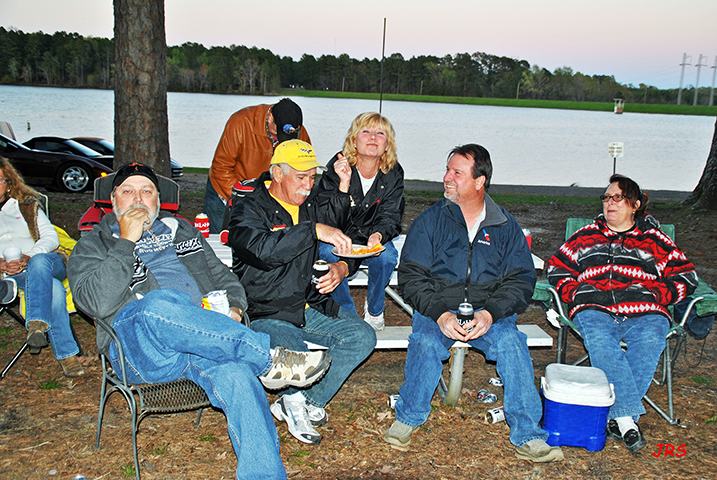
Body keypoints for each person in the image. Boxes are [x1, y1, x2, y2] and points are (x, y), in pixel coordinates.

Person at [67, 162, 332, 480]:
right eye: (128, 191)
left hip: (202, 342)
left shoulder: (183, 232)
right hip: (139, 349)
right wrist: (126, 242)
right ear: (113, 200)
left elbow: (226, 278)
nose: (138, 199)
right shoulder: (94, 244)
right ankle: (266, 358)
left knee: (238, 375)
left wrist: (235, 308)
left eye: (147, 191)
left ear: (158, 200)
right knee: (159, 302)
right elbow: (94, 303)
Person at [384, 144, 564, 463]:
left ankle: (528, 434)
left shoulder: (504, 225)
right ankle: (408, 416)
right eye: (447, 170)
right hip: (438, 309)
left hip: (487, 311)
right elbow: (411, 275)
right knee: (425, 342)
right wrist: (439, 314)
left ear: (480, 181)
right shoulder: (430, 221)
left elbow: (521, 279)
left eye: (457, 172)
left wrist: (491, 313)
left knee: (512, 343)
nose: (447, 177)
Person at [228, 140, 377, 446]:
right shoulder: (247, 209)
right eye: (300, 177)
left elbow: (338, 225)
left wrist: (342, 267)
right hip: (265, 309)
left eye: (312, 177)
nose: (308, 185)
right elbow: (263, 252)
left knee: (362, 337)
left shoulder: (308, 203)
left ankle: (304, 401)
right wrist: (312, 230)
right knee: (297, 353)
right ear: (277, 174)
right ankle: (295, 402)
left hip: (308, 303)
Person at [547, 174, 698, 452]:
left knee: (651, 337)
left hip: (645, 310)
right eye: (606, 197)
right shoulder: (586, 236)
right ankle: (626, 420)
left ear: (635, 204)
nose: (610, 203)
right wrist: (576, 293)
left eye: (618, 197)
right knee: (600, 340)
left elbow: (686, 277)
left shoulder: (655, 239)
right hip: (594, 307)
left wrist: (656, 294)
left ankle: (617, 416)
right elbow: (557, 269)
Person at [316, 112, 404, 330]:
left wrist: (378, 235)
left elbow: (392, 214)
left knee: (387, 256)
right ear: (354, 140)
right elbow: (327, 219)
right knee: (327, 253)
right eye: (366, 131)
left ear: (387, 145)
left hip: (373, 234)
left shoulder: (393, 172)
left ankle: (375, 310)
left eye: (380, 133)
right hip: (340, 234)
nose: (373, 137)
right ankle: (347, 314)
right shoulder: (337, 166)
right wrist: (343, 185)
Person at [0, 157, 84, 377]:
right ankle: (67, 357)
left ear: (8, 183)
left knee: (39, 264)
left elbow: (51, 237)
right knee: (54, 288)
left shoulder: (26, 205)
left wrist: (31, 256)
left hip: (47, 262)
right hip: (12, 275)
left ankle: (36, 322)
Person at [204, 98, 311, 233]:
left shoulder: (298, 132)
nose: (280, 139)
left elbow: (304, 169)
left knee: (256, 240)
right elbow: (221, 167)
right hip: (226, 193)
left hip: (264, 199)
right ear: (270, 117)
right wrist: (245, 198)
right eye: (277, 132)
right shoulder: (240, 122)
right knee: (220, 238)